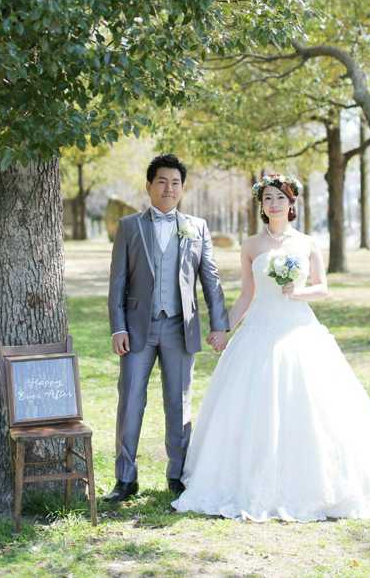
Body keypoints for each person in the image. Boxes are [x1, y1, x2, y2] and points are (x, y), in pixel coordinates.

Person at [172, 173, 370, 521]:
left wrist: (298, 293)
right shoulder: (251, 245)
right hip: (258, 331)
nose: (274, 204)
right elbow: (247, 295)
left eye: (280, 198)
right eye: (268, 198)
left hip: (298, 328)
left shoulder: (307, 243)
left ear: (291, 203)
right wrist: (224, 329)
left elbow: (322, 287)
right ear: (261, 205)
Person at [104, 153, 229, 504]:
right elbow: (117, 282)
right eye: (162, 181)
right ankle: (125, 478)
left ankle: (178, 475)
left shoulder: (197, 227)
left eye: (175, 183)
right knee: (130, 400)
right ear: (149, 186)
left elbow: (210, 279)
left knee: (179, 402)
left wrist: (220, 324)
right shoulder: (129, 226)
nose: (168, 188)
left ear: (182, 188)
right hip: (137, 329)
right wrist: (118, 328)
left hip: (180, 327)